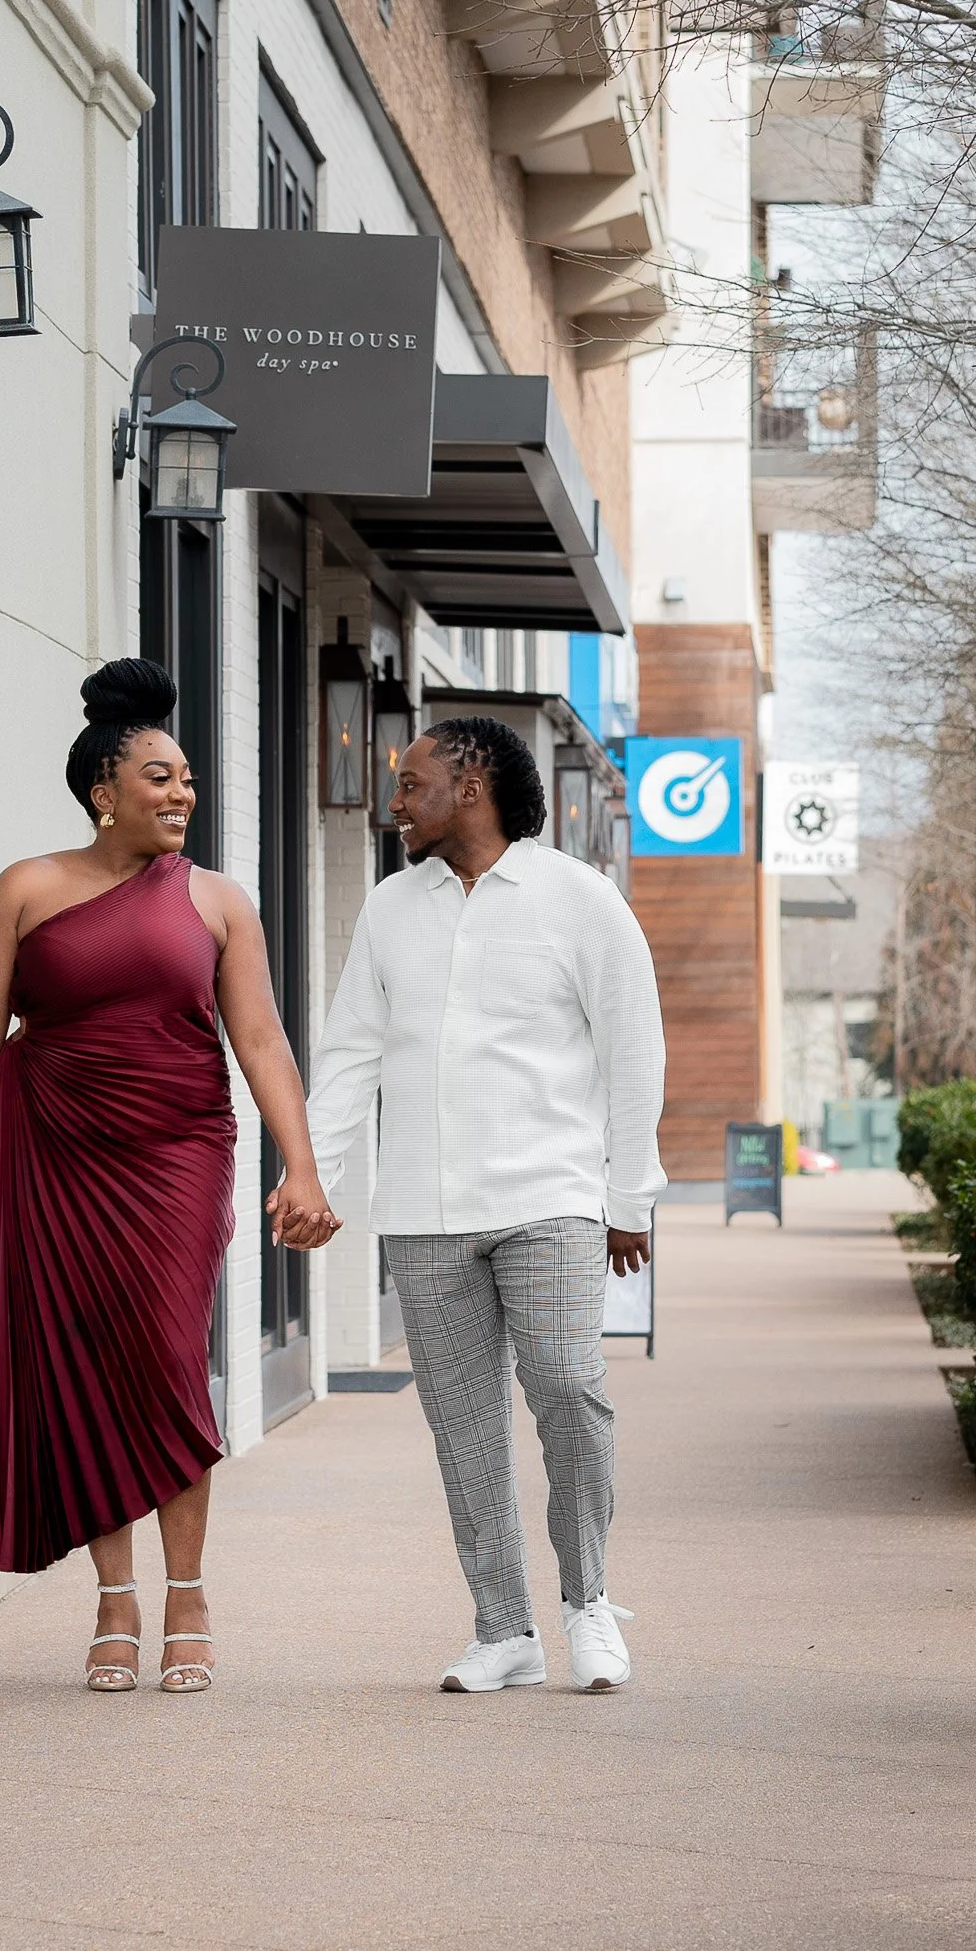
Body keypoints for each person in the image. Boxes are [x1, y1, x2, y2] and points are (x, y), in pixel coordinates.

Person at [0, 658, 340, 1694]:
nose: (181, 794)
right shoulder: (23, 889)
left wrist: (301, 1166)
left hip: (177, 1152)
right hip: (49, 1149)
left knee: (163, 1360)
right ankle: (114, 1601)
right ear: (101, 792)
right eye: (159, 778)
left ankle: (187, 1593)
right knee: (80, 1367)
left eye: (187, 779)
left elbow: (261, 1040)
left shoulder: (217, 901)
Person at [301, 716, 665, 1694]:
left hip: (550, 1194)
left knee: (568, 1389)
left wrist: (628, 1196)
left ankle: (588, 1602)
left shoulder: (578, 900)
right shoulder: (389, 907)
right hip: (422, 1211)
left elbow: (634, 1053)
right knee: (464, 1429)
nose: (393, 800)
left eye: (410, 782)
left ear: (470, 787)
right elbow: (350, 1052)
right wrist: (312, 1174)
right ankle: (504, 1630)